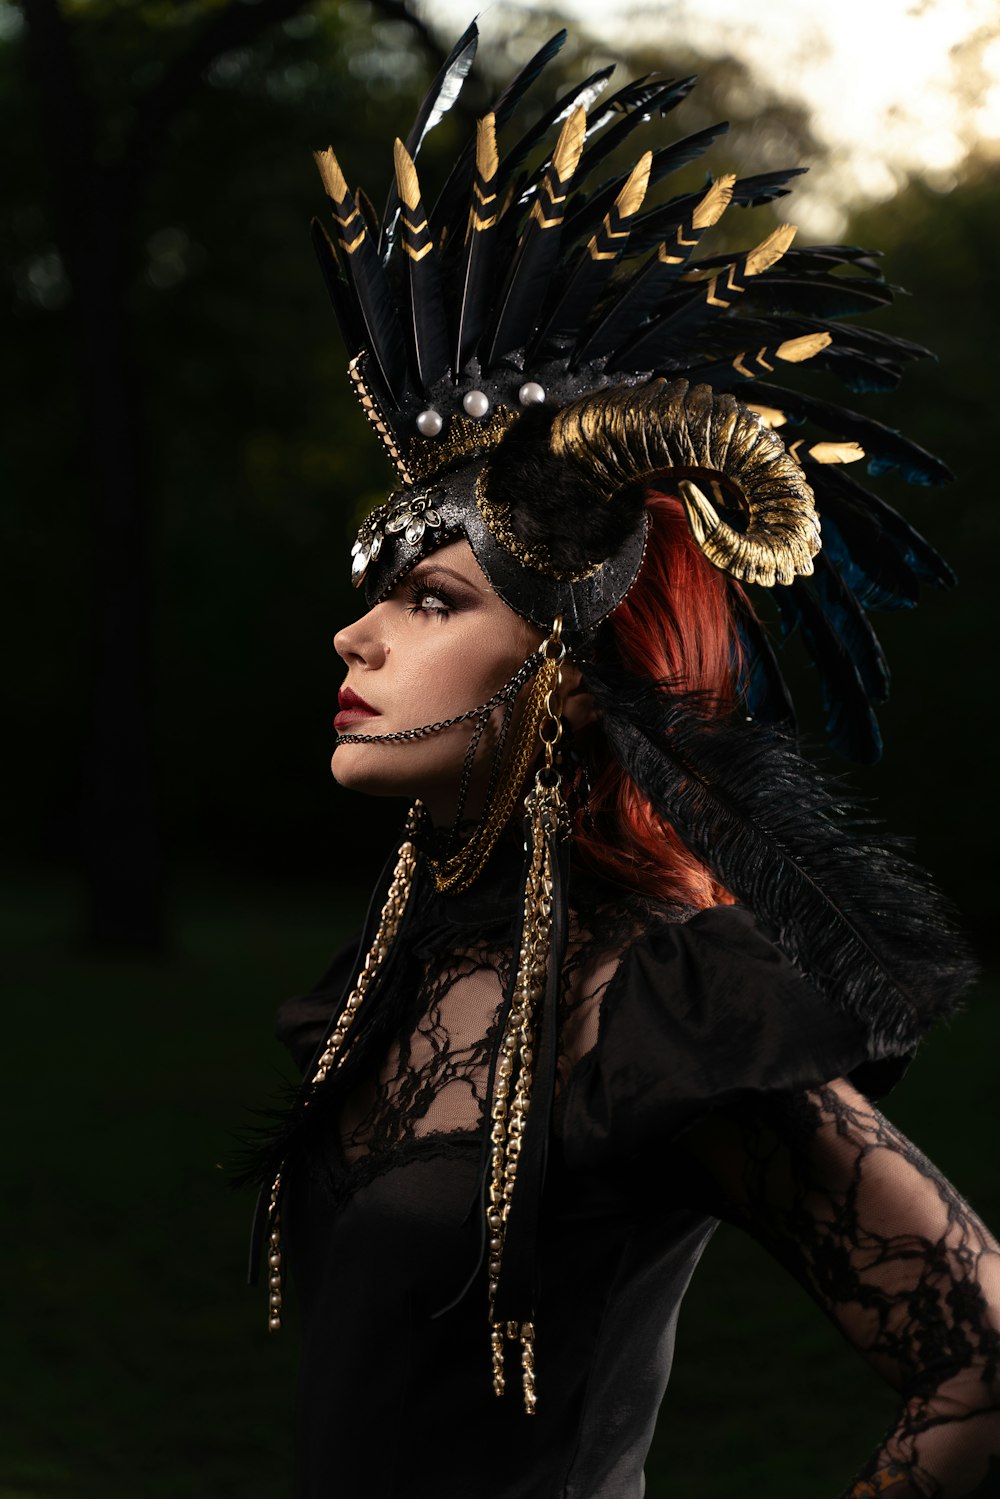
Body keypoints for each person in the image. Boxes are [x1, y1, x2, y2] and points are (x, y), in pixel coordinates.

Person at [244, 23, 1000, 1497]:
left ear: (572, 684)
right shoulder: (418, 970)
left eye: (431, 600)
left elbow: (981, 1355)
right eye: (379, 589)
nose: (356, 638)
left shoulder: (662, 1006)